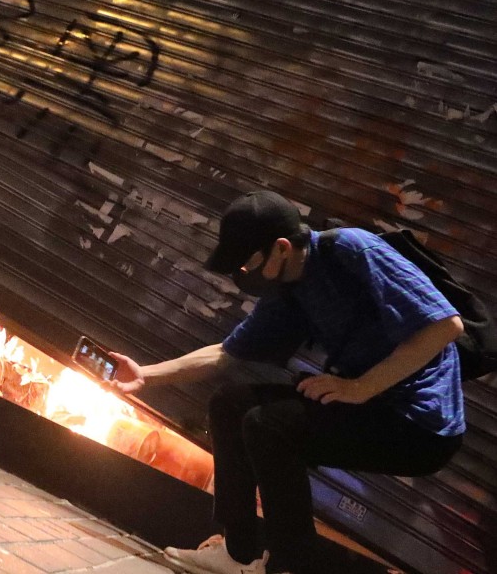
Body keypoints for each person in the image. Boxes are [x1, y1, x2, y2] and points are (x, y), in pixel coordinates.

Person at [110, 190, 465, 574]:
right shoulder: (289, 289)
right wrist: (146, 375)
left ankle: (290, 566)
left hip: (420, 426)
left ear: (281, 248)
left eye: (247, 265)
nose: (243, 277)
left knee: (269, 426)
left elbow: (445, 326)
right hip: (368, 404)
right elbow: (226, 354)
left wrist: (358, 387)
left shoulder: (353, 250)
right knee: (230, 403)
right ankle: (238, 552)